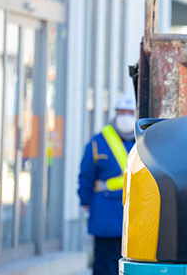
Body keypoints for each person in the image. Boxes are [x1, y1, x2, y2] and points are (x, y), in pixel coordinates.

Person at [78, 92, 137, 275]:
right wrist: (84, 202)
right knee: (104, 264)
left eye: (129, 112)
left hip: (134, 217)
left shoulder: (143, 140)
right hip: (105, 217)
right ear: (115, 113)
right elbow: (86, 176)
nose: (125, 116)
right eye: (121, 112)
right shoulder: (98, 142)